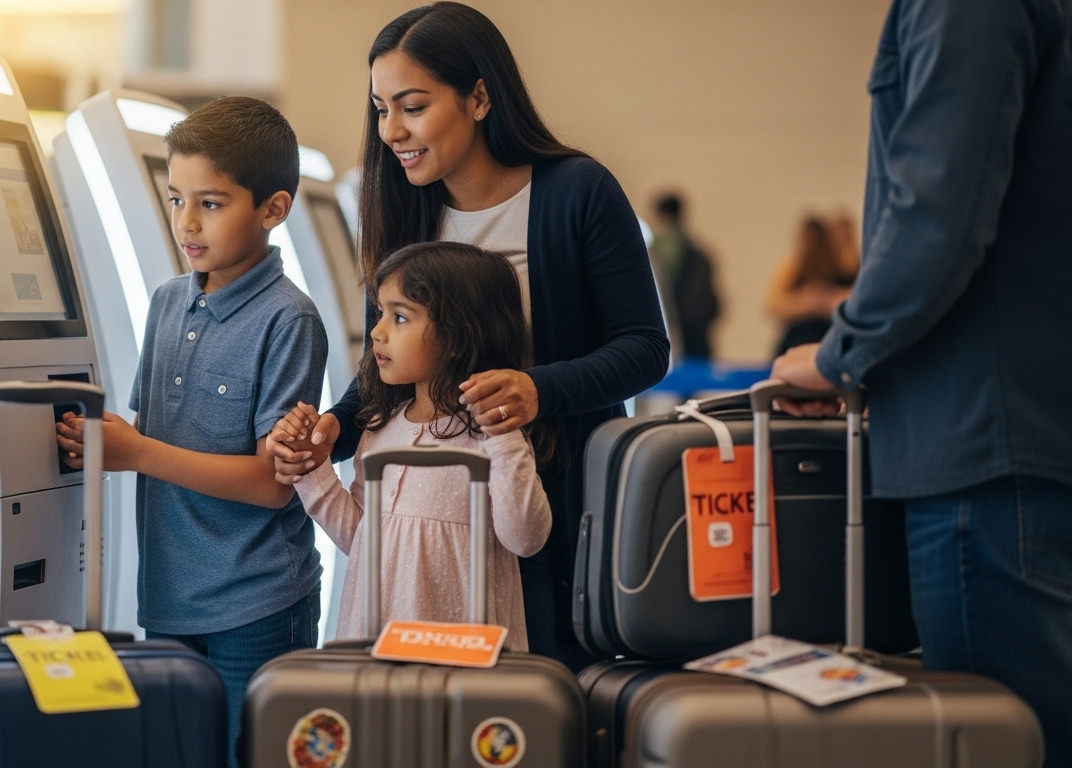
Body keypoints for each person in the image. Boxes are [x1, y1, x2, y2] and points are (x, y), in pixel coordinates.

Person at [268, 2, 670, 670]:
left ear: (480, 97)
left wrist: (537, 390)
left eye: (413, 106)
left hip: (558, 506)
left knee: (539, 696)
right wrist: (335, 426)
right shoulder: (401, 210)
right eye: (381, 109)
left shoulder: (578, 193)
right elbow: (385, 367)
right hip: (439, 525)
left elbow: (643, 348)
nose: (392, 131)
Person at [769, 1, 1072, 765]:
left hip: (982, 446)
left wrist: (843, 353)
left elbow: (939, 208)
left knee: (1003, 744)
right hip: (1027, 430)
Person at [55, 96, 326, 763]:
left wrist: (136, 452)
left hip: (257, 603)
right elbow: (151, 433)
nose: (187, 221)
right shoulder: (167, 303)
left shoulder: (289, 320)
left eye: (211, 202)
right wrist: (104, 442)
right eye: (176, 199)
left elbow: (270, 484)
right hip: (169, 599)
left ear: (273, 209)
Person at [275, 242, 551, 648]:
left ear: (457, 335)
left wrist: (503, 434)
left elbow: (526, 538)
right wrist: (312, 468)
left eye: (400, 317)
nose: (377, 332)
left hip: (465, 660)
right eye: (380, 313)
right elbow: (361, 541)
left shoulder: (493, 438)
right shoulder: (380, 429)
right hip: (376, 648)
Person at [766, 215, 857, 356]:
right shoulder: (794, 267)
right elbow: (773, 305)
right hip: (798, 340)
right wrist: (806, 301)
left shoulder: (847, 268)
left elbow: (859, 298)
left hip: (831, 341)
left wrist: (830, 299)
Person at [650, 192, 721, 360]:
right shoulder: (698, 249)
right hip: (698, 327)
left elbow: (662, 286)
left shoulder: (662, 246)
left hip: (677, 325)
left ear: (662, 214)